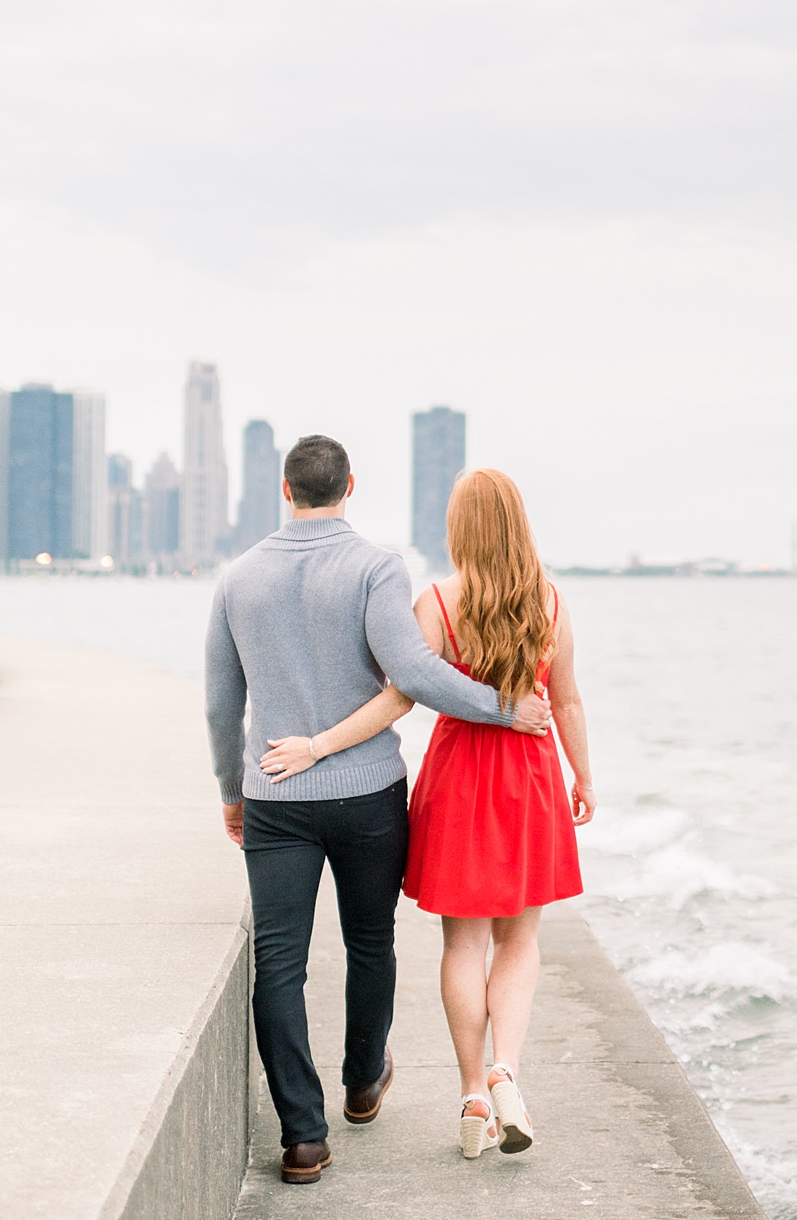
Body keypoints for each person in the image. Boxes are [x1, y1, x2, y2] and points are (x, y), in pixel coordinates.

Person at [205, 434, 552, 1186]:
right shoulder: (375, 568)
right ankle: (363, 1082)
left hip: (275, 793)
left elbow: (221, 702)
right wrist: (504, 708)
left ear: (286, 490)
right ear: (350, 486)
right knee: (370, 944)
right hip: (366, 793)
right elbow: (415, 674)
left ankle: (304, 1137)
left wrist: (232, 792)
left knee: (281, 964)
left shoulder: (238, 578)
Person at [357, 468, 594, 1158]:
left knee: (463, 943)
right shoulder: (549, 603)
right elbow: (569, 699)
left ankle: (469, 1092)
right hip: (529, 779)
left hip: (459, 777)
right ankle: (506, 1069)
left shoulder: (436, 601)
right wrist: (584, 776)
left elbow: (408, 689)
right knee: (519, 940)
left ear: (461, 529)